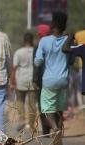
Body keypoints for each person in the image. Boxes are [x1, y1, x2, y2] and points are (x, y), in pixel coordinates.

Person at [34, 12, 68, 145]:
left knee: (47, 110)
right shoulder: (68, 40)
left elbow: (38, 62)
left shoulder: (44, 41)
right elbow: (71, 60)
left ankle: (54, 129)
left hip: (49, 81)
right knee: (59, 110)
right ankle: (57, 136)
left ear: (52, 24)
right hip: (63, 80)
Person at [11, 32, 37, 131]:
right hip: (32, 79)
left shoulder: (19, 52)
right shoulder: (36, 51)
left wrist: (12, 81)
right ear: (32, 40)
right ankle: (30, 125)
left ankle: (22, 120)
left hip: (21, 79)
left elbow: (14, 68)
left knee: (20, 101)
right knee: (32, 103)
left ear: (24, 40)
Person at [33, 24, 51, 135]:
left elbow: (35, 65)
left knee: (42, 104)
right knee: (51, 103)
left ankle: (45, 129)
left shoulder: (38, 45)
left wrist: (34, 80)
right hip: (51, 77)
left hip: (40, 80)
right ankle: (54, 125)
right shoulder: (52, 43)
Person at [63, 33, 85, 108]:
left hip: (70, 72)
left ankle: (71, 106)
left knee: (71, 90)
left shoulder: (82, 47)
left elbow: (66, 49)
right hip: (74, 72)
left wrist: (69, 38)